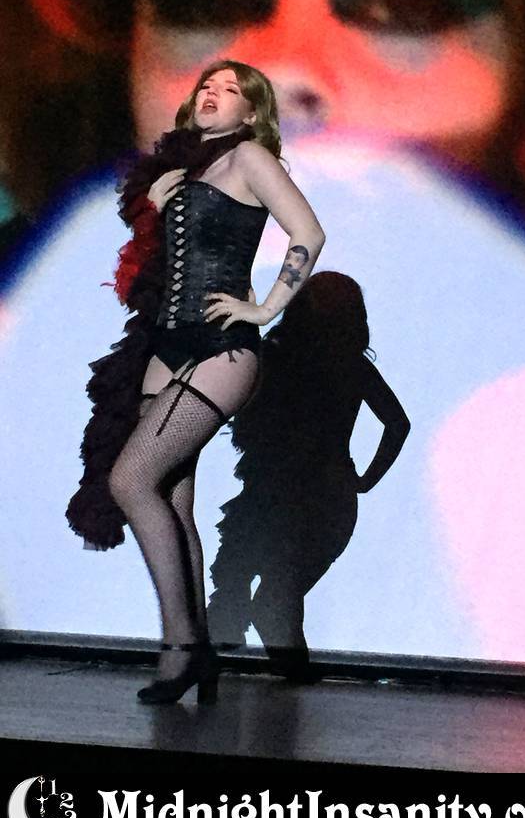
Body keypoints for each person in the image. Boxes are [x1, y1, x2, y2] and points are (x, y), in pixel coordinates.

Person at [66, 59, 326, 704]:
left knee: (130, 480)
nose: (213, 93)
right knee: (172, 501)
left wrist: (266, 308)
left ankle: (181, 646)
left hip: (221, 347)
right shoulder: (181, 172)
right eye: (207, 86)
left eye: (230, 90)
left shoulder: (250, 159)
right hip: (164, 343)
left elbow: (308, 232)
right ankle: (197, 648)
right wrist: (152, 210)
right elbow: (149, 270)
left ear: (252, 111)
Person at [207, 271, 411, 681]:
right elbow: (397, 424)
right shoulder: (348, 366)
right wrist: (365, 479)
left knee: (259, 587)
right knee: (274, 592)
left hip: (283, 492)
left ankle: (252, 668)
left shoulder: (277, 357)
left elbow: (398, 425)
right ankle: (284, 674)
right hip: (318, 495)